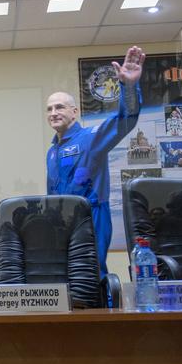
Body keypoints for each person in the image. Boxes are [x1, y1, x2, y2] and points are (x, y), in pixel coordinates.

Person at [45, 45, 145, 272]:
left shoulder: (90, 138)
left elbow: (125, 120)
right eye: (49, 109)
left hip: (91, 217)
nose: (53, 113)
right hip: (61, 222)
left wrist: (129, 86)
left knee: (91, 275)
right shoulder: (52, 151)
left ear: (74, 111)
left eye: (59, 107)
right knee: (65, 277)